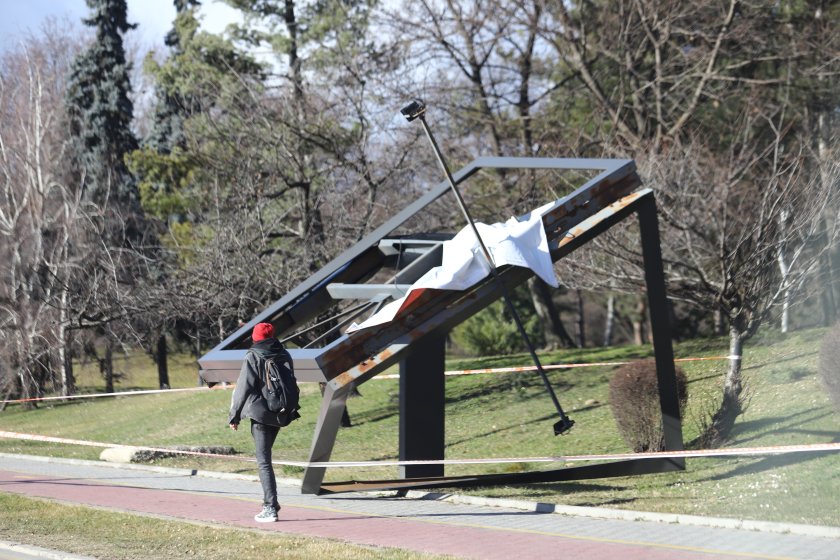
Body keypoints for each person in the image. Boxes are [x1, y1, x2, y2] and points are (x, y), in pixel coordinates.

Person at [228, 322, 293, 522]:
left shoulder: (253, 356)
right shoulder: (285, 354)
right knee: (265, 459)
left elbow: (243, 388)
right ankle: (271, 502)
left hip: (261, 415)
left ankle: (270, 507)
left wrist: (234, 415)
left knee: (263, 461)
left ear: (255, 338)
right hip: (281, 413)